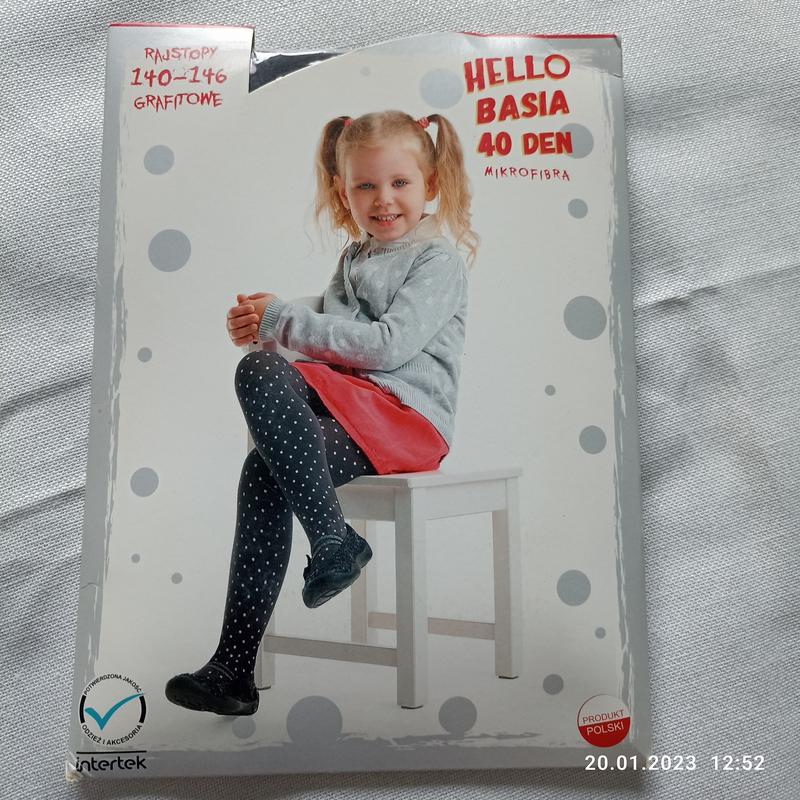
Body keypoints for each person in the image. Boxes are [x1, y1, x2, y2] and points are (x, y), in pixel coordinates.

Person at [165, 110, 479, 716]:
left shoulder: (437, 262)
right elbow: (329, 345)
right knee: (260, 390)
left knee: (265, 448)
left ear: (432, 184)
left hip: (406, 420)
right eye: (365, 185)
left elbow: (385, 346)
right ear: (343, 192)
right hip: (355, 408)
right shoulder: (354, 257)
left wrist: (284, 319)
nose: (383, 199)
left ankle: (328, 549)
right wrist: (263, 328)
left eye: (400, 183)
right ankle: (236, 666)